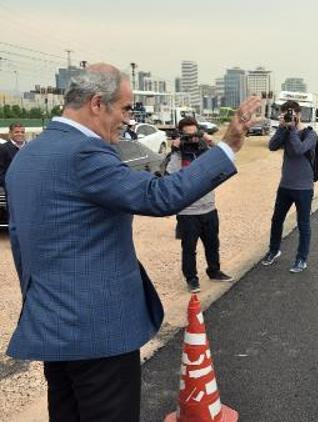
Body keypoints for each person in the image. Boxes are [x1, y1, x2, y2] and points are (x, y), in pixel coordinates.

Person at [4, 63, 262, 421]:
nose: (128, 119)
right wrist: (228, 147)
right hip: (99, 332)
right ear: (97, 103)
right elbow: (159, 196)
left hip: (52, 327)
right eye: (125, 108)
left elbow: (19, 241)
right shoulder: (84, 153)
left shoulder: (26, 157)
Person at [166, 117, 233, 293]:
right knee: (189, 248)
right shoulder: (176, 155)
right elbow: (170, 175)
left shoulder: (206, 151)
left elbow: (224, 158)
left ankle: (214, 271)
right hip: (187, 211)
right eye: (187, 135)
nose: (192, 139)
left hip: (209, 208)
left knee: (212, 243)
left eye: (195, 134)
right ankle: (192, 279)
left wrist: (210, 141)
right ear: (180, 135)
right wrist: (175, 149)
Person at [261, 100, 317, 273]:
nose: (290, 116)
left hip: (304, 188)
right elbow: (272, 146)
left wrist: (292, 128)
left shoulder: (310, 134)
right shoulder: (285, 131)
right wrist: (281, 127)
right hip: (285, 185)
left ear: (299, 114)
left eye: (292, 113)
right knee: (277, 220)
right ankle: (274, 250)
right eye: (286, 113)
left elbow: (299, 149)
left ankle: (301, 259)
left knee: (303, 224)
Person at [0, 122, 25, 187]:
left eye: (22, 132)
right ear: (10, 133)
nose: (20, 134)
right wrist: (8, 184)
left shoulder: (29, 147)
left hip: (27, 187)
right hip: (11, 188)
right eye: (16, 132)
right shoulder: (2, 149)